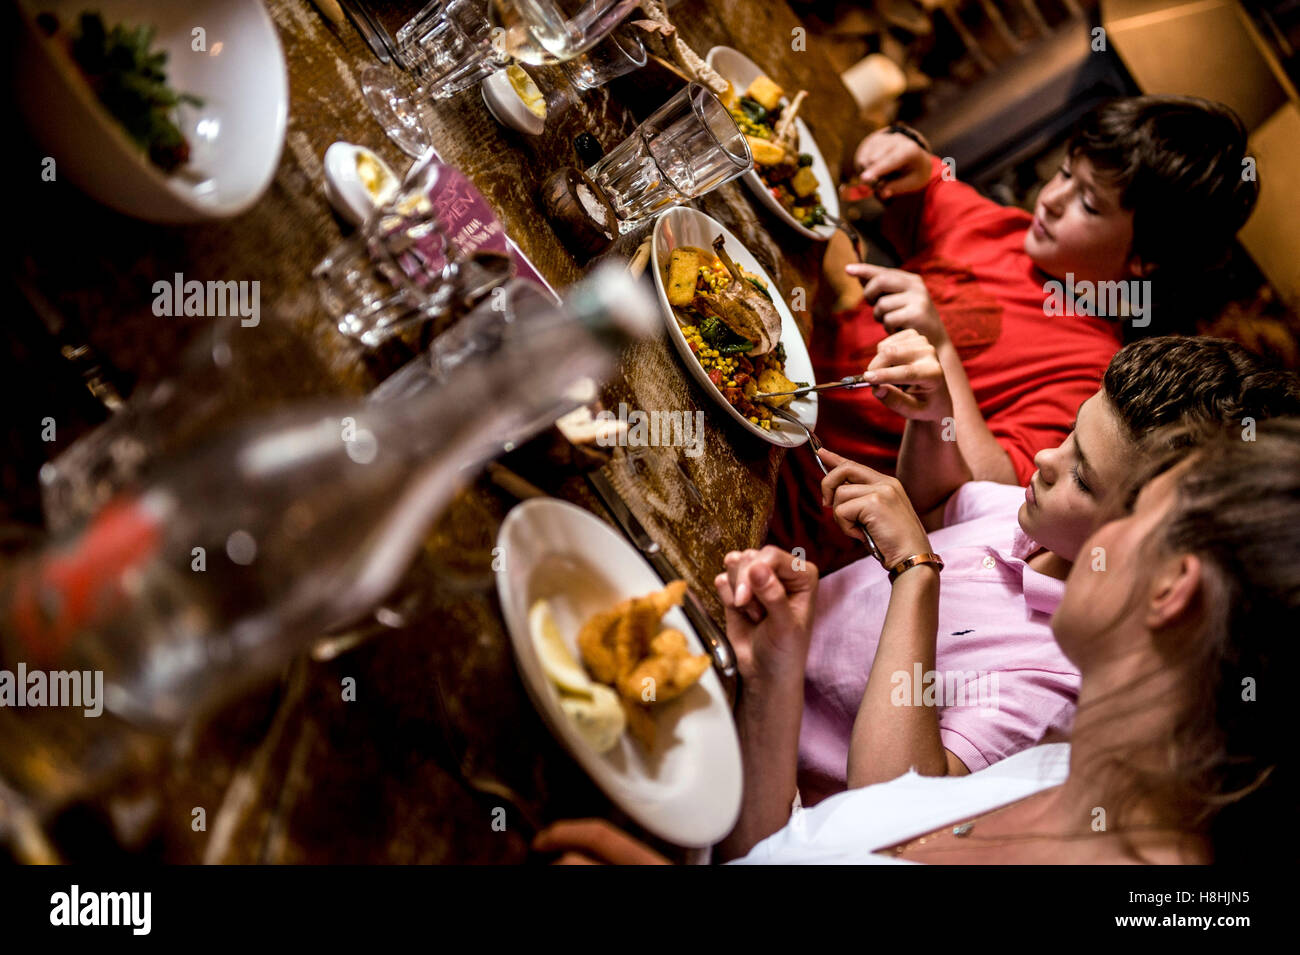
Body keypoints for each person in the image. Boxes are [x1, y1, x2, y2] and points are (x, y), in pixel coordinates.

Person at [533, 419, 1300, 864]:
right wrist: (775, 678)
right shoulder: (1061, 766)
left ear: (1175, 588)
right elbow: (783, 851)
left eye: (1139, 512)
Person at [768, 96, 1259, 575]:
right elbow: (921, 176)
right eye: (1066, 171)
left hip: (789, 508)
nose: (1051, 198)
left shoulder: (1089, 372)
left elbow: (984, 495)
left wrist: (940, 348)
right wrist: (895, 148)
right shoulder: (1012, 232)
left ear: (1143, 261)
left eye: (1088, 203)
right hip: (769, 383)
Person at [798, 336, 1300, 803]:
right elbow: (940, 508)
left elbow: (894, 807)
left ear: (1148, 537)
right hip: (778, 636)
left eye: (1082, 477)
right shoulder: (1036, 518)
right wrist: (934, 422)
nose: (1044, 457)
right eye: (1070, 434)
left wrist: (914, 569)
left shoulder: (1055, 680)